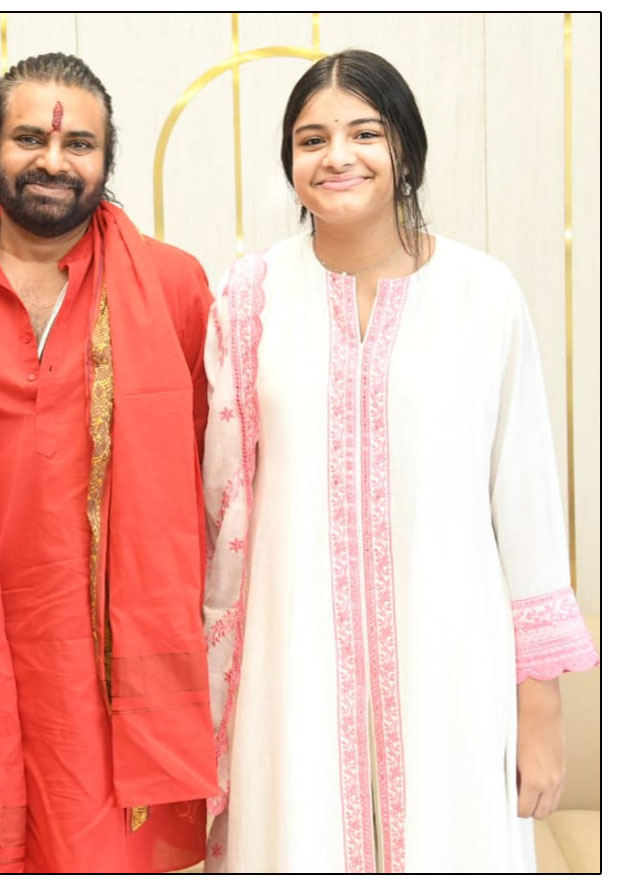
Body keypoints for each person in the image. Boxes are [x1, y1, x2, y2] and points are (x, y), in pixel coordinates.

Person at [201, 49, 599, 873]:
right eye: (311, 140)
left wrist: (541, 706)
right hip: (289, 664)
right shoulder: (250, 299)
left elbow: (524, 500)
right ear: (290, 163)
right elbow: (222, 509)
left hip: (453, 655)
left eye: (364, 133)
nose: (336, 156)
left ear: (405, 151)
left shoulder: (483, 296)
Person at [0, 52, 216, 873]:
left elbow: (212, 463)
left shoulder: (174, 286)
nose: (55, 162)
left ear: (106, 160)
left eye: (81, 145)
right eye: (29, 137)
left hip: (111, 653)